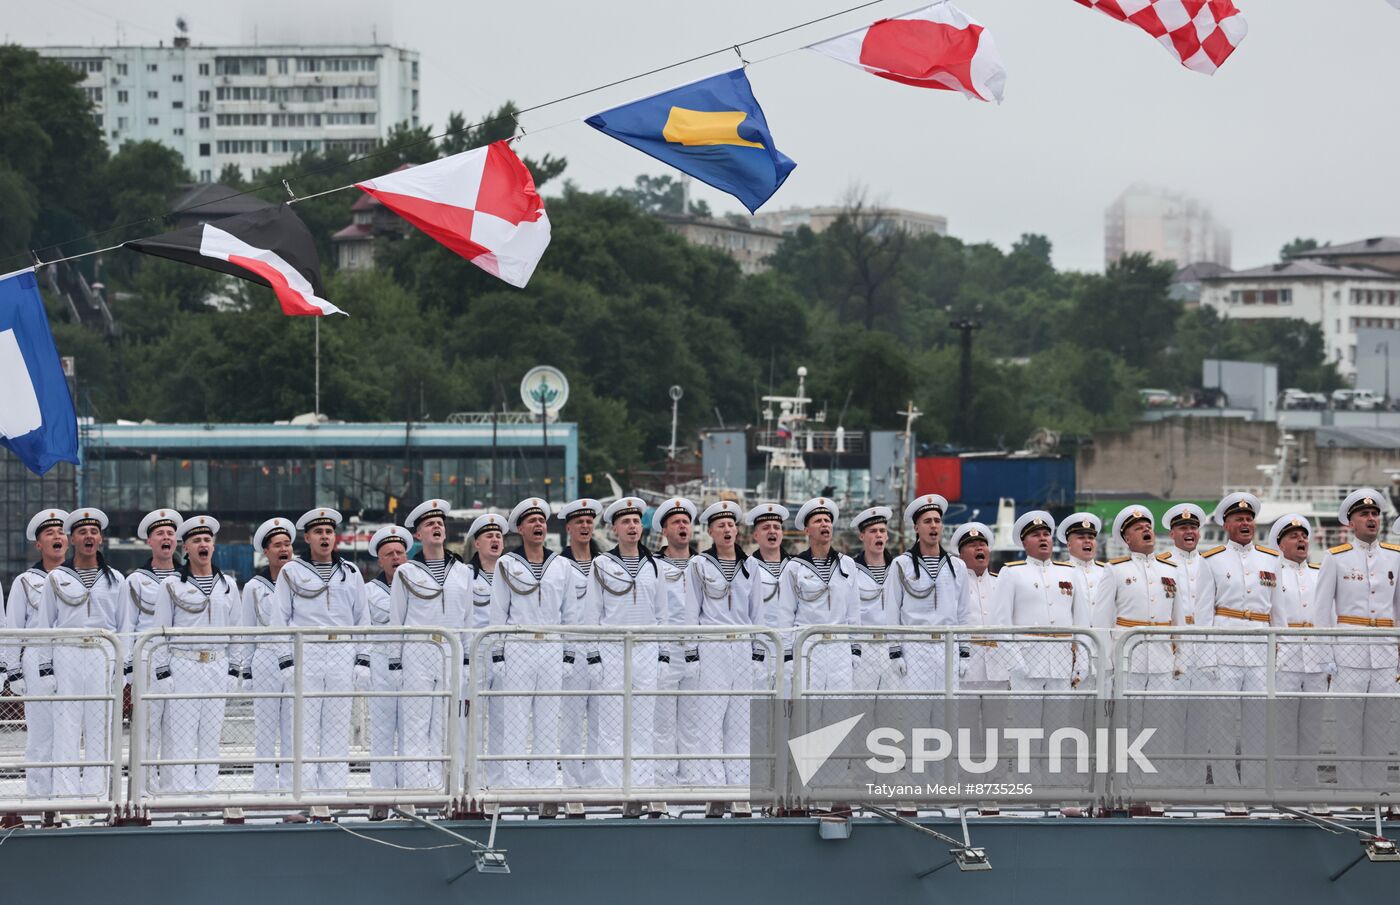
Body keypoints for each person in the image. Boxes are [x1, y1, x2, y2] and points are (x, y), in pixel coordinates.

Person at [270, 507, 371, 793]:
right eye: (318, 532)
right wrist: (286, 662)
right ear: (308, 538)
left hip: (342, 650)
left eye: (329, 532)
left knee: (337, 730)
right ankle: (299, 796)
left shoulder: (350, 572)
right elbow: (279, 619)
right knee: (302, 729)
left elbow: (362, 619)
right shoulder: (291, 572)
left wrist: (362, 660)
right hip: (307, 651)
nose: (325, 537)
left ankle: (333, 795)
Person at [1312, 489, 1400, 791]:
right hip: (1348, 653)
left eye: (1375, 514)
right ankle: (1350, 792)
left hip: (1386, 653)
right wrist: (1326, 658)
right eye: (1364, 514)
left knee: (1379, 727)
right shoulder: (1336, 558)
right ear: (1351, 522)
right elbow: (1321, 612)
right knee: (1349, 728)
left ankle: (1376, 792)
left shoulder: (1394, 557)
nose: (1371, 519)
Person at [488, 498, 578, 788]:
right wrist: (498, 654)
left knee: (548, 718)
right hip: (518, 643)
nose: (538, 525)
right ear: (520, 529)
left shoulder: (561, 565)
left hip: (551, 644)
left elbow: (570, 615)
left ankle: (545, 783)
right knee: (515, 718)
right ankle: (514, 784)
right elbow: (498, 612)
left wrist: (568, 653)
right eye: (532, 521)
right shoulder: (506, 563)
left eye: (541, 520)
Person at [151, 516, 241, 794]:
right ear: (185, 547)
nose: (203, 544)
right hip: (184, 663)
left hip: (216, 663)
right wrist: (163, 671)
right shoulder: (171, 585)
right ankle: (181, 796)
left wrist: (233, 669)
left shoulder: (228, 584)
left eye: (207, 540)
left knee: (211, 735)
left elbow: (237, 631)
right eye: (196, 540)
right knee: (181, 735)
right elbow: (159, 632)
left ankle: (206, 795)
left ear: (213, 546)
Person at [1201, 492, 1284, 787]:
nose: (1246, 523)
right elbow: (1203, 613)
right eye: (1239, 519)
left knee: (1258, 725)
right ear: (1226, 524)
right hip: (1224, 650)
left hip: (1261, 650)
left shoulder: (1272, 560)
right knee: (1222, 723)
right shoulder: (1211, 560)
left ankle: (1255, 788)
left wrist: (1280, 654)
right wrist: (1207, 656)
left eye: (1249, 518)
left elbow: (1278, 612)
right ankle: (1228, 790)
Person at [39, 508, 123, 799]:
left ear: (100, 539)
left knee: (101, 726)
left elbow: (123, 627)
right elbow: (44, 626)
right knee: (67, 726)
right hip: (67, 652)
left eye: (94, 532)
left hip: (102, 653)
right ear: (73, 538)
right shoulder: (56, 578)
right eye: (82, 532)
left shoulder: (116, 580)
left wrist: (121, 668)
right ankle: (66, 797)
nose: (89, 536)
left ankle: (97, 795)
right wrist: (46, 668)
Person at [392, 500, 472, 791]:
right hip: (418, 649)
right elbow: (397, 622)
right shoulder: (406, 573)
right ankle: (416, 790)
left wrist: (466, 662)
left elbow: (468, 622)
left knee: (447, 724)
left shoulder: (462, 572)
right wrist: (396, 662)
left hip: (451, 650)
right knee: (415, 724)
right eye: (429, 524)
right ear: (417, 535)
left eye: (439, 522)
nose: (437, 527)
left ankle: (443, 789)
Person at [586, 497, 665, 787]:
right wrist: (594, 656)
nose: (632, 527)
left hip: (646, 647)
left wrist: (662, 656)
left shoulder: (655, 565)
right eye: (625, 522)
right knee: (610, 722)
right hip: (612, 648)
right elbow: (592, 615)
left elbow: (662, 615)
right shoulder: (601, 564)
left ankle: (642, 784)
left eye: (635, 521)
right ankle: (611, 787)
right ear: (614, 529)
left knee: (644, 722)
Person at [679, 500, 754, 787]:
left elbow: (756, 613)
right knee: (710, 719)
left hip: (743, 646)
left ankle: (739, 785)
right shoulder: (699, 564)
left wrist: (757, 652)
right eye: (721, 525)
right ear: (710, 531)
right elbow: (691, 611)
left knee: (740, 720)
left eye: (731, 525)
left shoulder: (750, 565)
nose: (727, 530)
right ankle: (713, 786)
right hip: (713, 645)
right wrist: (691, 653)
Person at [117, 508, 184, 793]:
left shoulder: (187, 579)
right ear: (150, 542)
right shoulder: (135, 581)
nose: (166, 538)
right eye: (160, 534)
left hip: (181, 660)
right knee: (147, 728)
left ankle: (172, 790)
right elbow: (127, 625)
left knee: (176, 729)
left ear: (177, 542)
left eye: (170, 534)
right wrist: (128, 671)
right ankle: (143, 789)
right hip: (148, 660)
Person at [770, 498, 860, 703]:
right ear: (807, 530)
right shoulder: (794, 568)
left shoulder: (847, 565)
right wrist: (787, 656)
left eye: (827, 520)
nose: (825, 524)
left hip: (840, 648)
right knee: (807, 714)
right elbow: (785, 615)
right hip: (807, 646)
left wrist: (856, 648)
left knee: (840, 715)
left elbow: (854, 611)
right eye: (818, 521)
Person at [6, 509, 69, 799]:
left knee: (69, 734)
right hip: (35, 657)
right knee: (41, 734)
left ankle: (67, 798)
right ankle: (38, 800)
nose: (58, 536)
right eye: (50, 533)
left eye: (61, 532)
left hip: (70, 657)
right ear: (39, 544)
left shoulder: (79, 578)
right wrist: (13, 670)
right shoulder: (24, 581)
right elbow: (13, 629)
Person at [1267, 514, 1328, 788]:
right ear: (1280, 544)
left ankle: (1307, 782)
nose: (1301, 540)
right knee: (1283, 726)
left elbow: (1330, 617)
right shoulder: (1271, 575)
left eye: (1303, 535)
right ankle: (1280, 783)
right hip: (1285, 659)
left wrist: (1330, 659)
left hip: (1315, 658)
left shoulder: (1320, 574)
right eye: (1293, 536)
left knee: (1312, 726)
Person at [239, 517, 296, 791]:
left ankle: (290, 787)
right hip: (266, 657)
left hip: (296, 656)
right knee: (265, 726)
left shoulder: (301, 581)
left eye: (287, 544)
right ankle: (263, 788)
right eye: (277, 545)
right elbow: (247, 630)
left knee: (293, 728)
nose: (284, 549)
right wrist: (245, 668)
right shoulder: (254, 587)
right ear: (267, 552)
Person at [888, 495, 965, 694]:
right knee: (916, 714)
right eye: (927, 521)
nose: (934, 526)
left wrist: (965, 653)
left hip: (948, 645)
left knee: (948, 714)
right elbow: (891, 610)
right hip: (915, 647)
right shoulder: (901, 565)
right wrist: (895, 652)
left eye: (937, 521)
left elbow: (964, 612)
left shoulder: (957, 565)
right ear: (916, 528)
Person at [1163, 503, 1217, 786]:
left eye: (1193, 528)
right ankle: (1171, 782)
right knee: (1172, 720)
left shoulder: (1211, 563)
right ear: (1172, 533)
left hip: (1205, 651)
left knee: (1201, 720)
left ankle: (1195, 783)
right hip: (1176, 651)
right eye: (1183, 528)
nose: (1189, 532)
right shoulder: (1162, 563)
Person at [555, 498, 603, 788]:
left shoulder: (605, 563)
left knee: (602, 721)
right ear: (569, 528)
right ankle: (572, 784)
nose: (585, 526)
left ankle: (599, 783)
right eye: (579, 522)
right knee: (571, 721)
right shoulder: (558, 565)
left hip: (602, 651)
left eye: (589, 521)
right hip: (570, 652)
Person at [651, 496, 697, 784]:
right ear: (665, 531)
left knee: (694, 720)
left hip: (696, 651)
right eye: (676, 522)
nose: (682, 526)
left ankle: (693, 777)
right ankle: (664, 780)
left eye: (686, 522)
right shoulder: (652, 565)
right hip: (665, 651)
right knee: (663, 720)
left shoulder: (703, 565)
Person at [364, 524, 411, 790]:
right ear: (380, 560)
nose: (396, 558)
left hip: (412, 661)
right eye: (389, 554)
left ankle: (410, 791)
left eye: (400, 552)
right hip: (381, 661)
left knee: (412, 730)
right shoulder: (370, 591)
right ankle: (382, 794)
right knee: (382, 730)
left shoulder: (418, 586)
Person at [465, 513, 506, 788]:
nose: (495, 540)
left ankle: (499, 783)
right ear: (477, 543)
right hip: (476, 653)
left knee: (503, 721)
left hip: (505, 653)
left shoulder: (512, 573)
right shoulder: (465, 575)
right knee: (472, 720)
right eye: (489, 536)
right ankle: (472, 780)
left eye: (499, 536)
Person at [744, 503, 789, 697]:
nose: (772, 531)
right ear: (756, 535)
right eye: (766, 528)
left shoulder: (796, 567)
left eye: (776, 527)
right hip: (759, 652)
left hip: (790, 651)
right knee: (760, 713)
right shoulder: (746, 567)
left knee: (791, 712)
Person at [849, 506, 895, 694]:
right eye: (873, 531)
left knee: (892, 713)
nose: (878, 535)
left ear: (887, 536)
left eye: (882, 531)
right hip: (864, 649)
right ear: (862, 536)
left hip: (892, 648)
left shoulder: (899, 569)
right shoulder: (851, 569)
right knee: (861, 712)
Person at [1058, 513, 1108, 628]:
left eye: (1091, 537)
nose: (1087, 541)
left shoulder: (1107, 571)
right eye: (1081, 537)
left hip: (1103, 641)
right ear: (1069, 545)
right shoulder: (1060, 572)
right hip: (1073, 642)